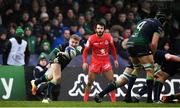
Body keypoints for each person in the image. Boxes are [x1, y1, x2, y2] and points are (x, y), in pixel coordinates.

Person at [94, 11, 166, 103]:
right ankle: (149, 99)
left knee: (126, 77)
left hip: (131, 44)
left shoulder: (143, 21)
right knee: (151, 70)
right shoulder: (158, 24)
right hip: (141, 46)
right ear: (163, 21)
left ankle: (103, 94)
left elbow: (139, 33)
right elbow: (154, 43)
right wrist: (152, 55)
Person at [31, 34, 82, 103]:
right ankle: (46, 97)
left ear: (78, 43)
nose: (74, 44)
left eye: (76, 43)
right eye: (72, 42)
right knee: (57, 78)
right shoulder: (63, 45)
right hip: (56, 61)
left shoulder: (79, 47)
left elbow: (74, 53)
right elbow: (53, 53)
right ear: (69, 41)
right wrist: (52, 60)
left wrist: (64, 54)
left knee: (49, 77)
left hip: (63, 64)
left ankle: (35, 82)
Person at [82, 22, 119, 102]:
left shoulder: (108, 37)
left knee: (112, 82)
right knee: (89, 82)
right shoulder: (91, 38)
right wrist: (84, 62)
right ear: (96, 29)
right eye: (98, 28)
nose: (100, 30)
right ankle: (85, 101)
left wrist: (115, 59)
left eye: (101, 28)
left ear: (104, 29)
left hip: (106, 62)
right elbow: (85, 51)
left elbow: (113, 48)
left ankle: (114, 102)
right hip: (95, 62)